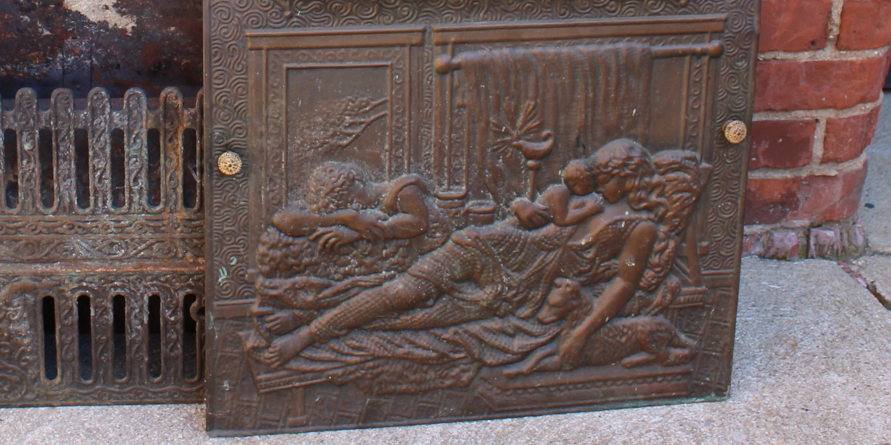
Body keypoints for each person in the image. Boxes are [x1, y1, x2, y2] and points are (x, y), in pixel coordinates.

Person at [259, 139, 664, 369]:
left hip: (519, 286)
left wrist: (581, 332)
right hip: (488, 243)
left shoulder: (639, 226)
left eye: (607, 177)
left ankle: (310, 319)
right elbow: (537, 209)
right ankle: (305, 333)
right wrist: (524, 208)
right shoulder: (582, 193)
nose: (596, 181)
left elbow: (623, 285)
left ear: (628, 179)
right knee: (401, 292)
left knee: (415, 319)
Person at [270, 161, 433, 253]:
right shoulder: (353, 213)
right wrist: (346, 218)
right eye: (345, 207)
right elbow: (282, 219)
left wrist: (356, 233)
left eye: (349, 204)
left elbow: (419, 224)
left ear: (358, 184)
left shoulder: (404, 192)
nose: (353, 207)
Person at [510, 160, 604, 230]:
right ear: (576, 184)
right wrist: (590, 210)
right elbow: (562, 220)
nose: (591, 189)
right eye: (589, 186)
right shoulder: (560, 191)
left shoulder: (565, 193)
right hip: (518, 225)